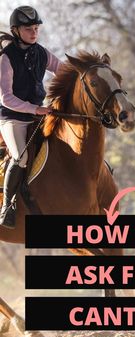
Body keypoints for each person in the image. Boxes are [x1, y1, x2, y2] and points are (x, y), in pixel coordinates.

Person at [0, 6, 63, 229]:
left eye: (36, 28)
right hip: (12, 119)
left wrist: (88, 73)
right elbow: (6, 98)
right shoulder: (6, 58)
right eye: (29, 29)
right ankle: (7, 206)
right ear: (16, 30)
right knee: (21, 157)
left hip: (37, 116)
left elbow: (63, 70)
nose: (34, 33)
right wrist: (35, 109)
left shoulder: (42, 53)